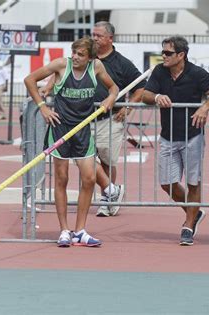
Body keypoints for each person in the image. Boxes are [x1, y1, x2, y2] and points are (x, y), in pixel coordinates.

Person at [24, 37, 118, 247]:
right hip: (60, 129)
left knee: (89, 178)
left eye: (80, 55)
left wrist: (111, 98)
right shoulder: (61, 65)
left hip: (83, 130)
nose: (75, 57)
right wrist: (43, 107)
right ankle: (64, 230)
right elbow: (30, 79)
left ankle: (81, 230)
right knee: (61, 179)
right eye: (74, 52)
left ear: (90, 58)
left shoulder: (97, 67)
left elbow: (114, 88)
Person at [142, 36, 209, 246]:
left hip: (193, 135)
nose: (163, 56)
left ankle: (187, 225)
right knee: (167, 183)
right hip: (167, 136)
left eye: (168, 53)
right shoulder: (159, 71)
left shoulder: (196, 73)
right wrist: (157, 97)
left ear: (181, 55)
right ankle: (194, 212)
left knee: (193, 181)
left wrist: (204, 108)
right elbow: (145, 95)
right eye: (163, 52)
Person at [92, 21, 146, 217]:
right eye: (93, 35)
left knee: (107, 161)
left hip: (110, 119)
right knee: (83, 158)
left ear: (110, 38)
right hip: (83, 118)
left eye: (98, 36)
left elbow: (140, 87)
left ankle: (108, 199)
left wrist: (128, 106)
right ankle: (112, 191)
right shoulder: (87, 58)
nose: (94, 39)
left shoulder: (122, 63)